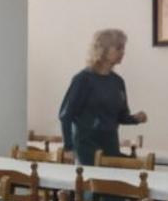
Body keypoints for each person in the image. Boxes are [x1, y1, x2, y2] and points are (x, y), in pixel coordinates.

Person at [58, 28, 148, 165]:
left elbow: (121, 116)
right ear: (103, 50)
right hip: (86, 145)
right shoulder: (83, 79)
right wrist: (68, 147)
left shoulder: (118, 81)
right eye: (118, 48)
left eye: (123, 48)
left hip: (110, 143)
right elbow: (66, 115)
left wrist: (135, 118)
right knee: (93, 185)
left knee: (111, 184)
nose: (122, 52)